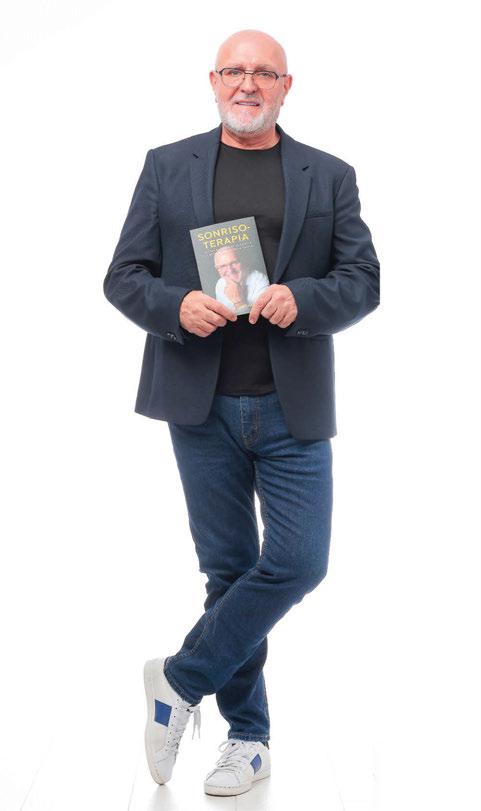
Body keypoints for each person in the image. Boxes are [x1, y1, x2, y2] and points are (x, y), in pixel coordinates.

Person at [103, 28, 380, 798]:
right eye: (234, 70)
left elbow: (362, 280)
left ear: (287, 86)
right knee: (227, 573)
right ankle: (248, 740)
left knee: (299, 562)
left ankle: (178, 677)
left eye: (264, 72)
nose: (248, 83)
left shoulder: (328, 174)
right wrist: (173, 305)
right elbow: (122, 276)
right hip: (200, 404)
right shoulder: (168, 166)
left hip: (292, 407)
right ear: (213, 80)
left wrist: (305, 298)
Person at [214, 245, 270, 313]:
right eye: (223, 266)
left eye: (234, 262)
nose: (230, 270)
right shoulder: (220, 284)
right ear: (217, 269)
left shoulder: (260, 281)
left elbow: (259, 316)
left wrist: (237, 301)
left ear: (243, 261)